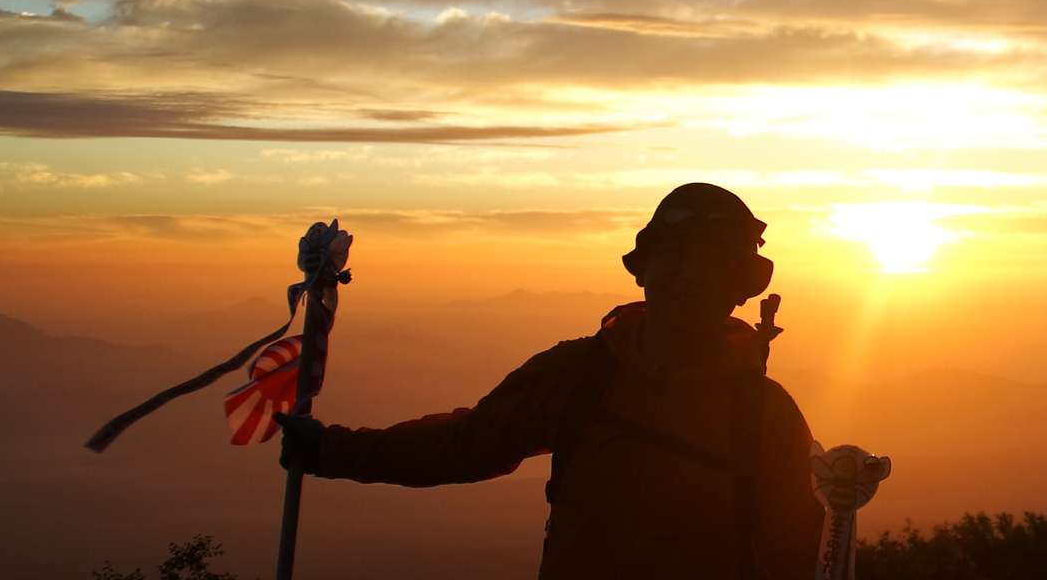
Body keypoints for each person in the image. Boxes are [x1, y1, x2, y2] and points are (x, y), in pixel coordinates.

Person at [274, 183, 823, 579]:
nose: (689, 278)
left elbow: (790, 554)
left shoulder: (766, 417)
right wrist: (332, 450)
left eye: (713, 265)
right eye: (675, 258)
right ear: (644, 268)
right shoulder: (579, 374)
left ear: (738, 288)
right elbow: (467, 446)